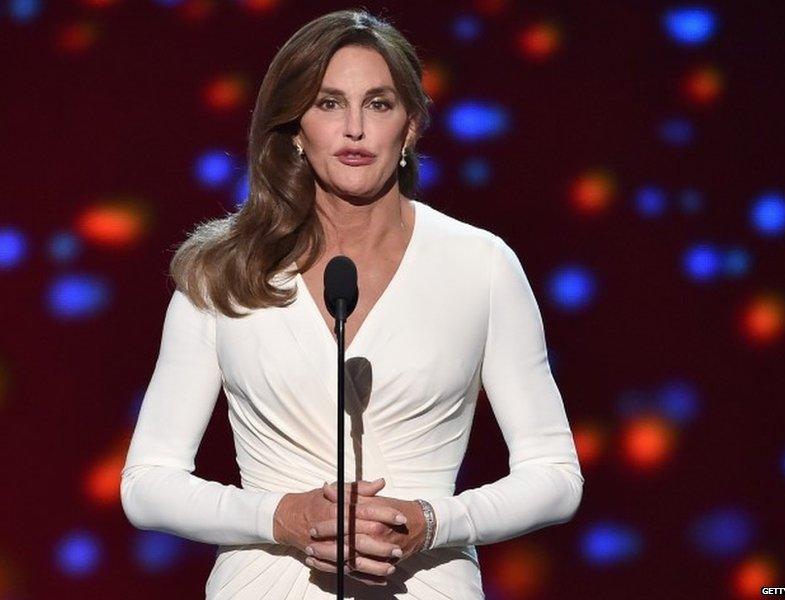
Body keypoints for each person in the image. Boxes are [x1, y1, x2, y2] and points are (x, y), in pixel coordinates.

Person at [120, 9, 584, 599]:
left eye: (380, 104)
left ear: (411, 125)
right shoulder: (225, 273)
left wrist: (435, 521)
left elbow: (555, 475)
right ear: (294, 127)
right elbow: (147, 484)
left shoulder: (480, 265)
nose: (355, 129)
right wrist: (278, 516)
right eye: (330, 103)